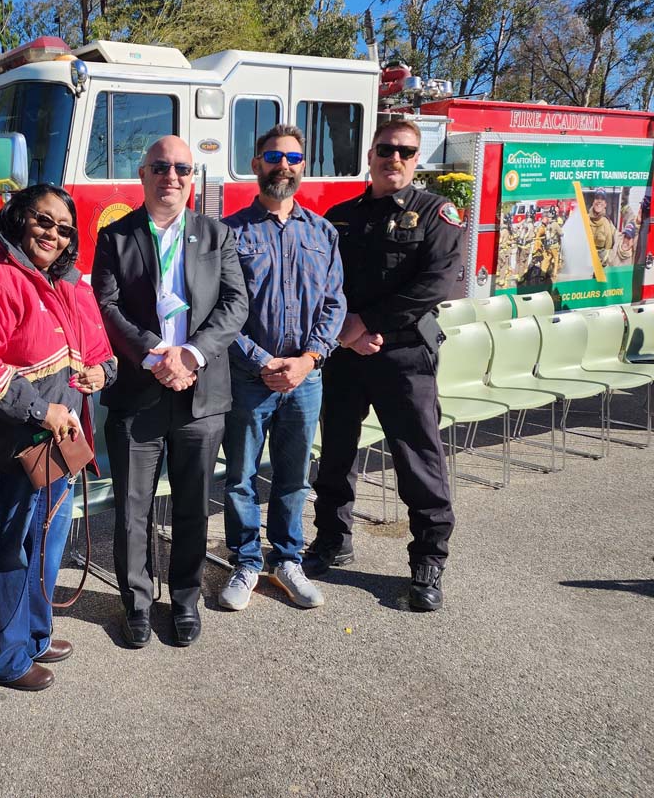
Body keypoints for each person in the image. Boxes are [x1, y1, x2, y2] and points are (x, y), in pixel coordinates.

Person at [0, 184, 116, 690]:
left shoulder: (68, 284)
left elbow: (99, 347)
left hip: (58, 441)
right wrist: (42, 408)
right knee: (12, 546)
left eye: (64, 229)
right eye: (43, 221)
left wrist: (102, 372)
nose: (53, 235)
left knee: (48, 541)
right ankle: (3, 657)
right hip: (8, 442)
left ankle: (34, 635)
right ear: (18, 219)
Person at [92, 136, 247, 647]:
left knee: (192, 507)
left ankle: (185, 598)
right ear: (143, 174)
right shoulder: (115, 237)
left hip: (201, 396)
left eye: (182, 167)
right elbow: (106, 307)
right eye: (161, 166)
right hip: (140, 393)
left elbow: (234, 304)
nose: (171, 176)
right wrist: (157, 352)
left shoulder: (216, 234)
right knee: (133, 510)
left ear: (191, 177)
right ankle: (135, 603)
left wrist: (192, 354)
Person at [305, 119, 462, 612]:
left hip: (405, 356)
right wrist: (345, 334)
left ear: (417, 160)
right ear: (371, 154)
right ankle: (332, 536)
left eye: (406, 151)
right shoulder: (341, 215)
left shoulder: (436, 213)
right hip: (346, 355)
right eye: (386, 149)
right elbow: (322, 283)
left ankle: (428, 559)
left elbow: (436, 283)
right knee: (336, 452)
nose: (395, 158)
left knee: (417, 457)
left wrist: (365, 323)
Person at [218, 124, 345, 612]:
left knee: (295, 478)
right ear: (256, 165)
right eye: (274, 156)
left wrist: (307, 359)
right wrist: (263, 360)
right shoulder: (229, 233)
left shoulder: (323, 232)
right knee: (240, 478)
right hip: (249, 379)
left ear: (302, 167)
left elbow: (335, 305)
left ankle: (286, 559)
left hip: (305, 379)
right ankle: (247, 561)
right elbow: (219, 311)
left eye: (293, 158)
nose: (283, 166)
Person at [589, 192, 617, 267]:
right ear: (593, 202)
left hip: (601, 266)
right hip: (585, 264)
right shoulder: (584, 219)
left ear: (605, 204)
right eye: (597, 198)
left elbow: (618, 239)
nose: (599, 201)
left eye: (602, 199)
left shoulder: (608, 223)